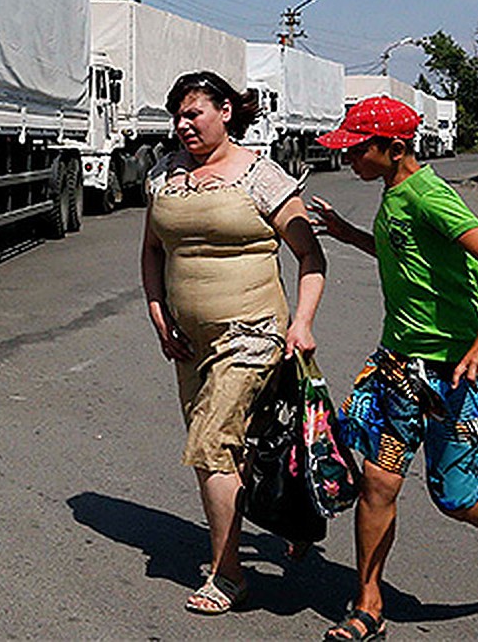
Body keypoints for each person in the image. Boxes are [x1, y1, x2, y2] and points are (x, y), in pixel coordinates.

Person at [308, 96, 478, 641]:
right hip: (400, 371)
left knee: (457, 499)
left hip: (458, 376)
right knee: (378, 482)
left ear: (394, 150)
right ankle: (369, 604)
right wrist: (349, 234)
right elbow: (409, 256)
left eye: (357, 149)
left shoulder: (429, 195)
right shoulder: (394, 191)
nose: (348, 158)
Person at [140, 70, 326, 616]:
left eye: (193, 113)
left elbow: (310, 257)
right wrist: (157, 313)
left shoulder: (262, 177)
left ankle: (229, 575)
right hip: (188, 341)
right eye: (177, 115)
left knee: (211, 444)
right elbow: (152, 249)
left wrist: (303, 323)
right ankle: (290, 516)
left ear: (225, 111)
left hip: (253, 334)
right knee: (240, 448)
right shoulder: (164, 175)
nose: (182, 125)